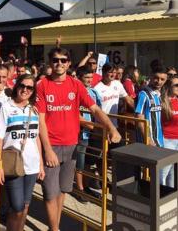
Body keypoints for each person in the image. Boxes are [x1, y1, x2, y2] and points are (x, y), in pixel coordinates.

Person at [36, 48, 121, 231]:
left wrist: (111, 128)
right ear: (50, 62)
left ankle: (54, 226)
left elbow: (95, 109)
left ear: (68, 63)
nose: (59, 63)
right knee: (50, 193)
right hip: (52, 145)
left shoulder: (76, 85)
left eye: (63, 60)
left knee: (63, 190)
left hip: (72, 145)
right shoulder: (42, 85)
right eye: (55, 60)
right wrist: (47, 149)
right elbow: (40, 120)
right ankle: (55, 228)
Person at [0, 74, 45, 231]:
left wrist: (41, 164)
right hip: (13, 163)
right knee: (17, 207)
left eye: (30, 87)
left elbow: (36, 138)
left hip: (32, 164)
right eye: (22, 85)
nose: (25, 90)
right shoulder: (6, 108)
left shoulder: (33, 109)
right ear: (16, 86)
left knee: (25, 207)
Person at [73, 65, 102, 203]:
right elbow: (74, 114)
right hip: (79, 134)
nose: (90, 80)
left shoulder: (94, 93)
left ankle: (86, 186)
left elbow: (99, 112)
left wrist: (99, 128)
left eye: (91, 77)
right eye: (86, 77)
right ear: (79, 78)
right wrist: (89, 125)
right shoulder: (74, 92)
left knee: (88, 163)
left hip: (93, 133)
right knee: (80, 162)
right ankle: (79, 189)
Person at [135, 65, 168, 147]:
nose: (159, 81)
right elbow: (139, 120)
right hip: (148, 142)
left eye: (162, 79)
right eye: (156, 78)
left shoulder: (161, 94)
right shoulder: (143, 95)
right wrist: (148, 139)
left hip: (161, 141)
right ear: (151, 76)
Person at [160, 75, 178, 187]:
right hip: (167, 141)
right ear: (169, 87)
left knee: (174, 173)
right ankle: (159, 198)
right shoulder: (163, 102)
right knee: (163, 173)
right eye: (176, 85)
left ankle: (170, 199)